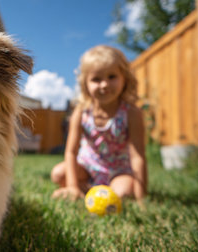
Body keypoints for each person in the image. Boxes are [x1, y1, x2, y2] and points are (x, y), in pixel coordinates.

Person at [51, 45, 147, 202]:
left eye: (112, 77)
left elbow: (138, 156)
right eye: (96, 79)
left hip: (119, 170)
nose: (104, 85)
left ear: (124, 78)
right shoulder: (81, 112)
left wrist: (141, 196)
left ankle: (93, 190)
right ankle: (85, 187)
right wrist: (72, 187)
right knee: (58, 174)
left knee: (123, 193)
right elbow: (71, 152)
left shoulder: (131, 113)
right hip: (87, 167)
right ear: (85, 84)